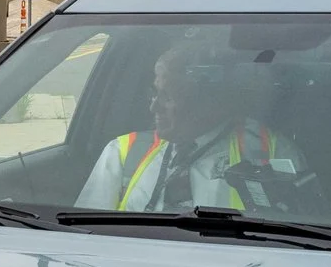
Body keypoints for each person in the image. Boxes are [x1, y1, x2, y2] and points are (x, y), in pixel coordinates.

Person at [76, 45, 310, 213]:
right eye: (155, 94)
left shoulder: (270, 152)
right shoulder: (124, 150)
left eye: (168, 97)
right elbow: (85, 234)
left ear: (208, 102)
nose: (154, 107)